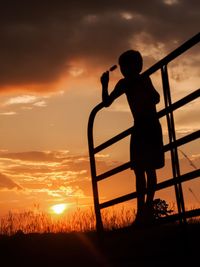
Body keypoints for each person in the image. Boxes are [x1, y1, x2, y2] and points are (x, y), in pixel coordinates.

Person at [101, 50, 165, 225]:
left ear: (136, 66)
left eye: (126, 66)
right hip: (141, 127)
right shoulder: (124, 83)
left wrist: (143, 88)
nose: (123, 70)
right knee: (140, 171)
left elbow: (156, 98)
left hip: (149, 126)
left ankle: (146, 210)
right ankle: (141, 212)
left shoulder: (143, 79)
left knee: (149, 170)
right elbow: (107, 103)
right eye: (123, 67)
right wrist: (105, 85)